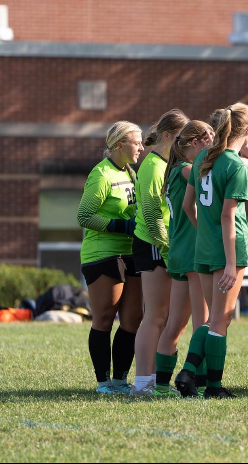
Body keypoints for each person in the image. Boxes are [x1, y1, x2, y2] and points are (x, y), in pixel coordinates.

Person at [174, 103, 248, 399]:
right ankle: (205, 381)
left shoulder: (203, 159)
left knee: (211, 319)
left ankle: (192, 374)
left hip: (205, 248)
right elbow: (227, 216)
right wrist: (232, 264)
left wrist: (204, 232)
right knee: (221, 319)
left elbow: (187, 206)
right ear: (247, 131)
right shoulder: (234, 164)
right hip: (228, 251)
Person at [78, 121, 144, 394]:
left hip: (132, 253)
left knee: (132, 319)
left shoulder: (132, 173)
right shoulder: (101, 174)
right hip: (103, 254)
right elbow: (84, 216)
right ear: (119, 145)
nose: (141, 147)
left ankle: (120, 380)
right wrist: (120, 225)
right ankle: (103, 382)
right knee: (105, 317)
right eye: (136, 142)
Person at [131, 109, 189, 396]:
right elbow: (153, 217)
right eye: (181, 137)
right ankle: (142, 383)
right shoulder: (153, 166)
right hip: (154, 244)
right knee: (154, 316)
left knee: (164, 317)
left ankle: (153, 379)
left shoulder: (166, 164)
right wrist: (168, 251)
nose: (185, 143)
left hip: (166, 244)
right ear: (167, 136)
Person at [157, 121, 214, 397]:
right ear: (193, 143)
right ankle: (196, 381)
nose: (213, 143)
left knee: (176, 324)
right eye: (208, 139)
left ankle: (159, 385)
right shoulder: (188, 169)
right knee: (203, 321)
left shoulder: (178, 169)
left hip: (180, 249)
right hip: (192, 250)